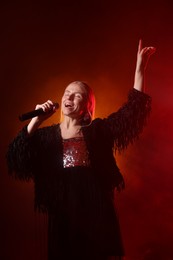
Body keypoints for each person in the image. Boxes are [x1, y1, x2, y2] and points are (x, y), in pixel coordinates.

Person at [7, 40, 156, 260]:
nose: (69, 96)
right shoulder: (46, 136)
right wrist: (36, 121)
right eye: (67, 92)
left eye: (77, 95)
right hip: (63, 217)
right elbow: (16, 159)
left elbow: (131, 113)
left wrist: (139, 69)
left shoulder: (97, 131)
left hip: (95, 213)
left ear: (87, 107)